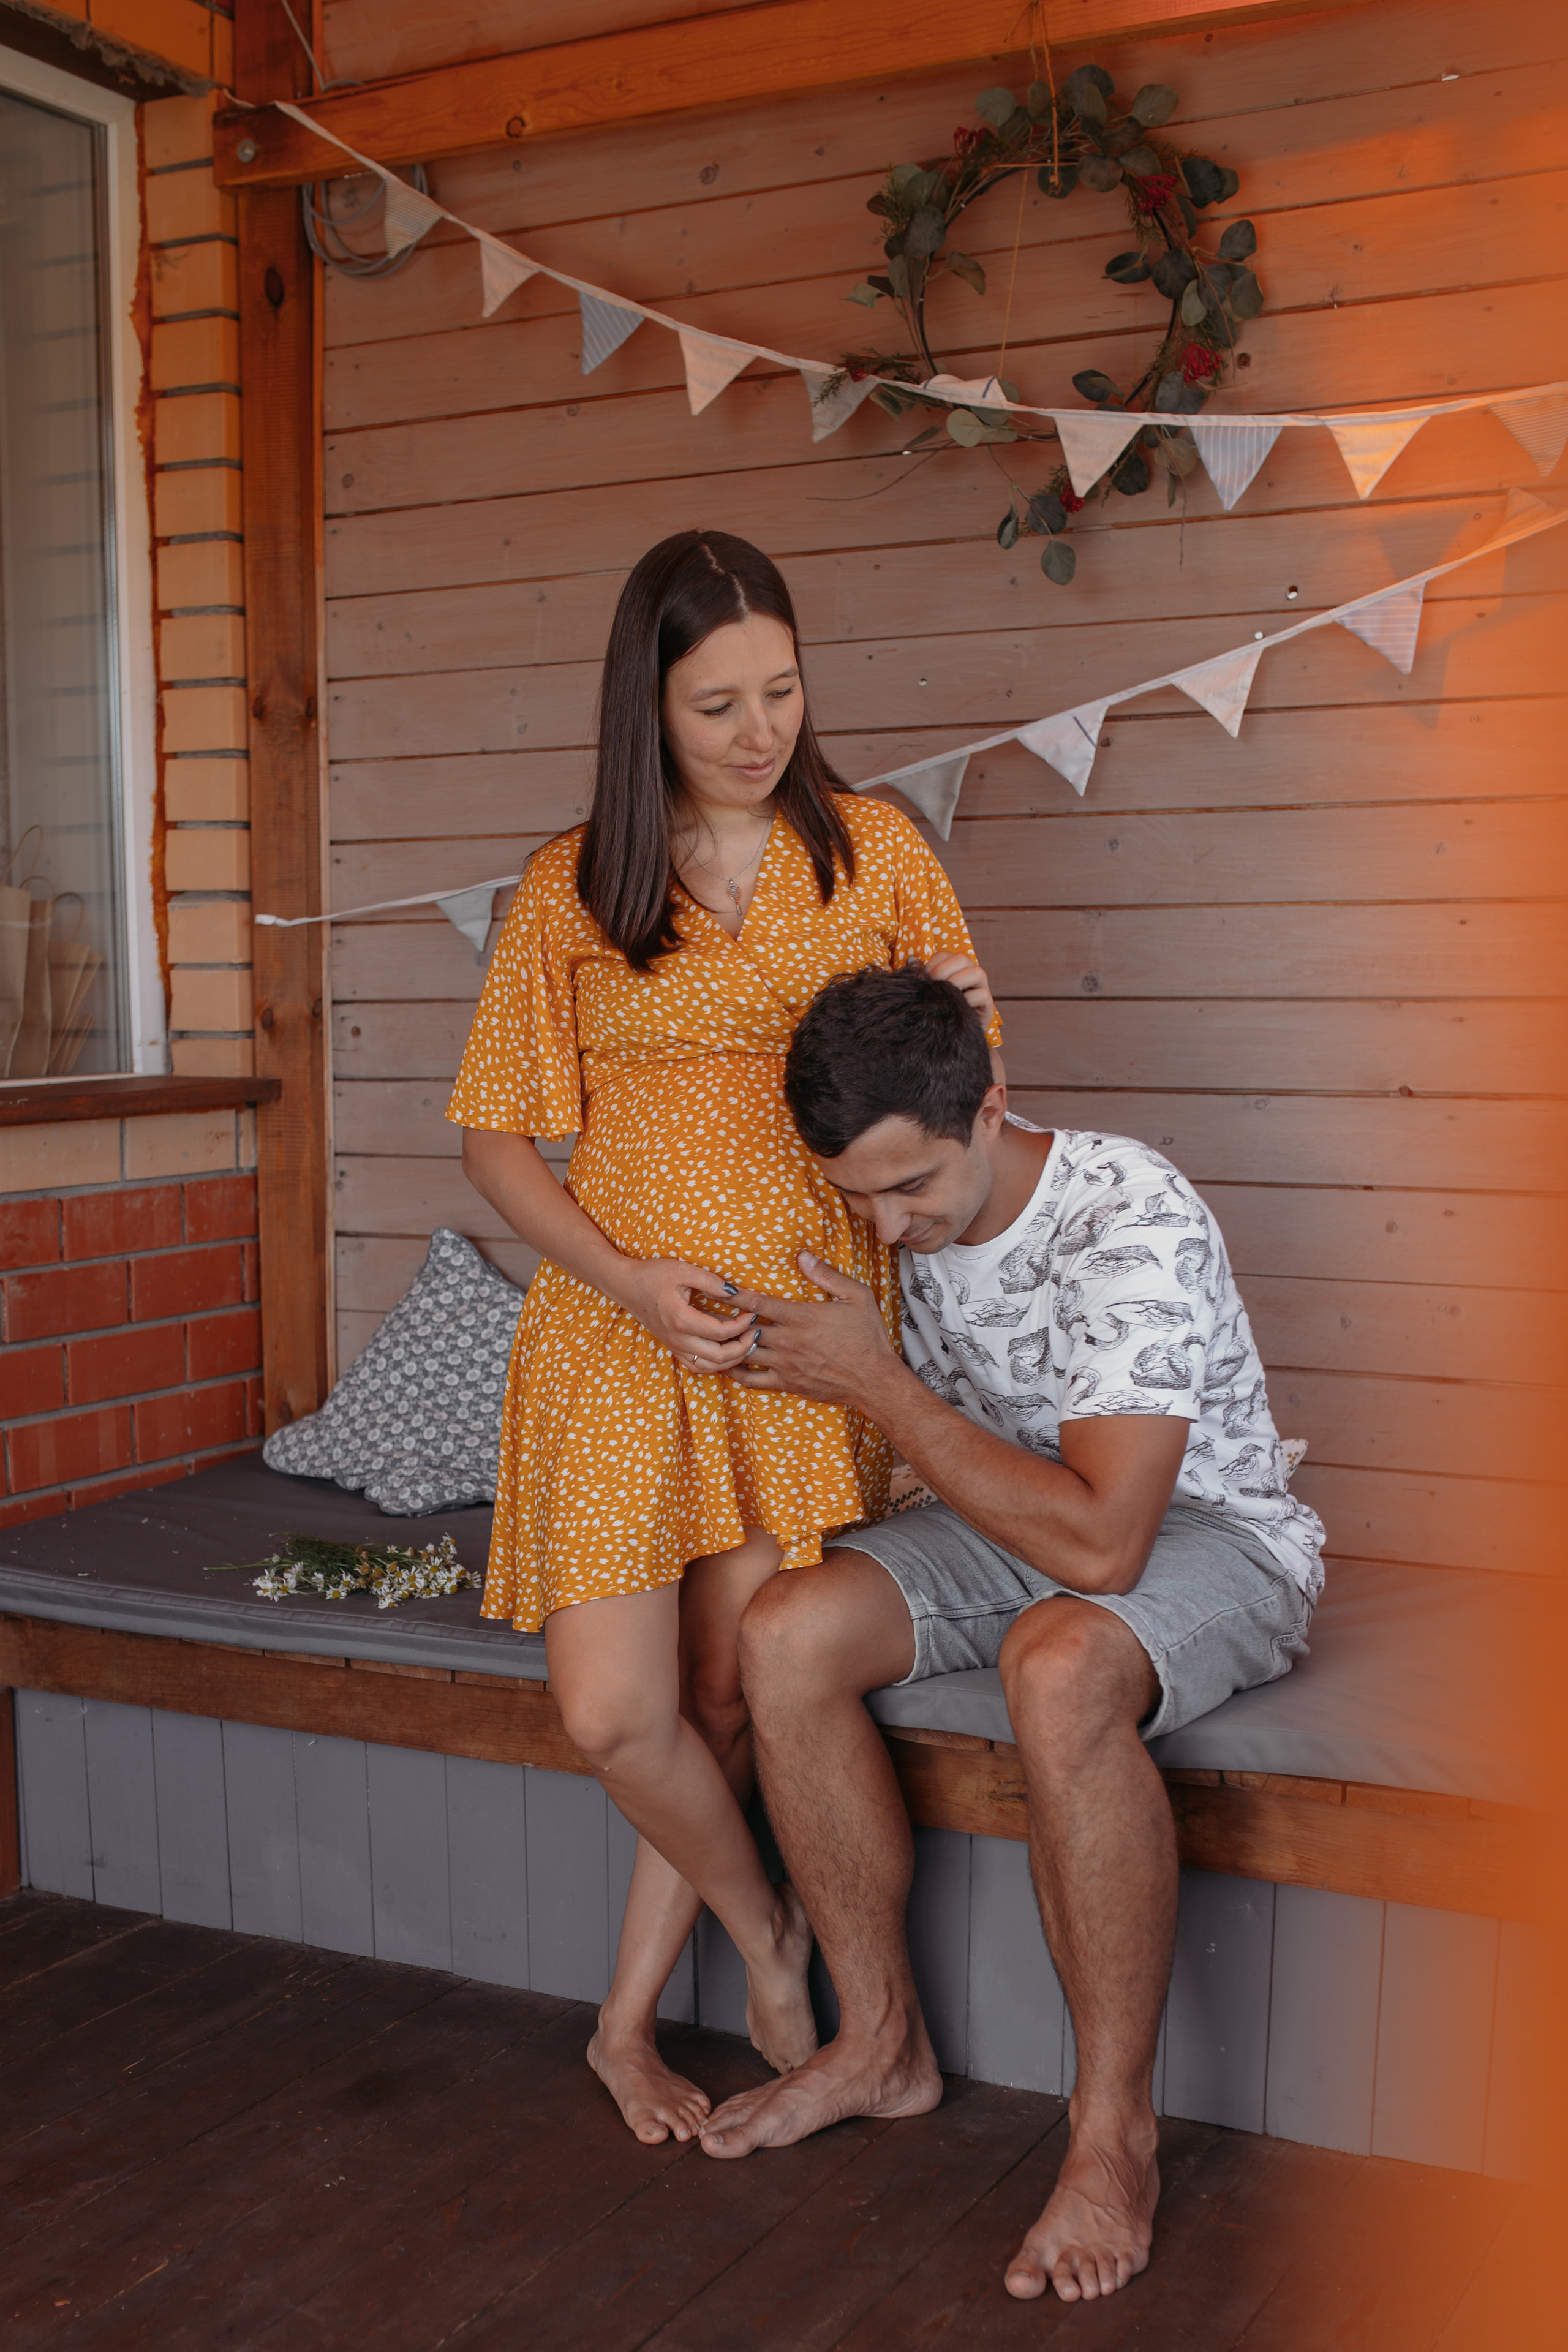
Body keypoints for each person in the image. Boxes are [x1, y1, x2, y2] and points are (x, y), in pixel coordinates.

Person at [447, 533, 1000, 2147]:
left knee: (726, 1691)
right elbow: (494, 1144)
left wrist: (965, 1010)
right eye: (716, 706)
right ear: (649, 708)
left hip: (794, 1341)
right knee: (616, 1713)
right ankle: (766, 1933)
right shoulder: (575, 885)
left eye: (781, 691)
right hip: (618, 1331)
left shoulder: (874, 852)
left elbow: (955, 1092)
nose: (760, 732)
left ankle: (622, 2027)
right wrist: (630, 1281)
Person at [698, 964, 1326, 2307]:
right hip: (1008, 1513)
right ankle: (880, 2044)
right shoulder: (887, 1204)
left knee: (1059, 1657)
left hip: (1206, 1535)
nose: (888, 1225)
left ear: (991, 1106)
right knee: (787, 1630)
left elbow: (1104, 1551)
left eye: (912, 1186)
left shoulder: (1125, 1214)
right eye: (858, 1195)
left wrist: (875, 1384)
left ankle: (1112, 2136)